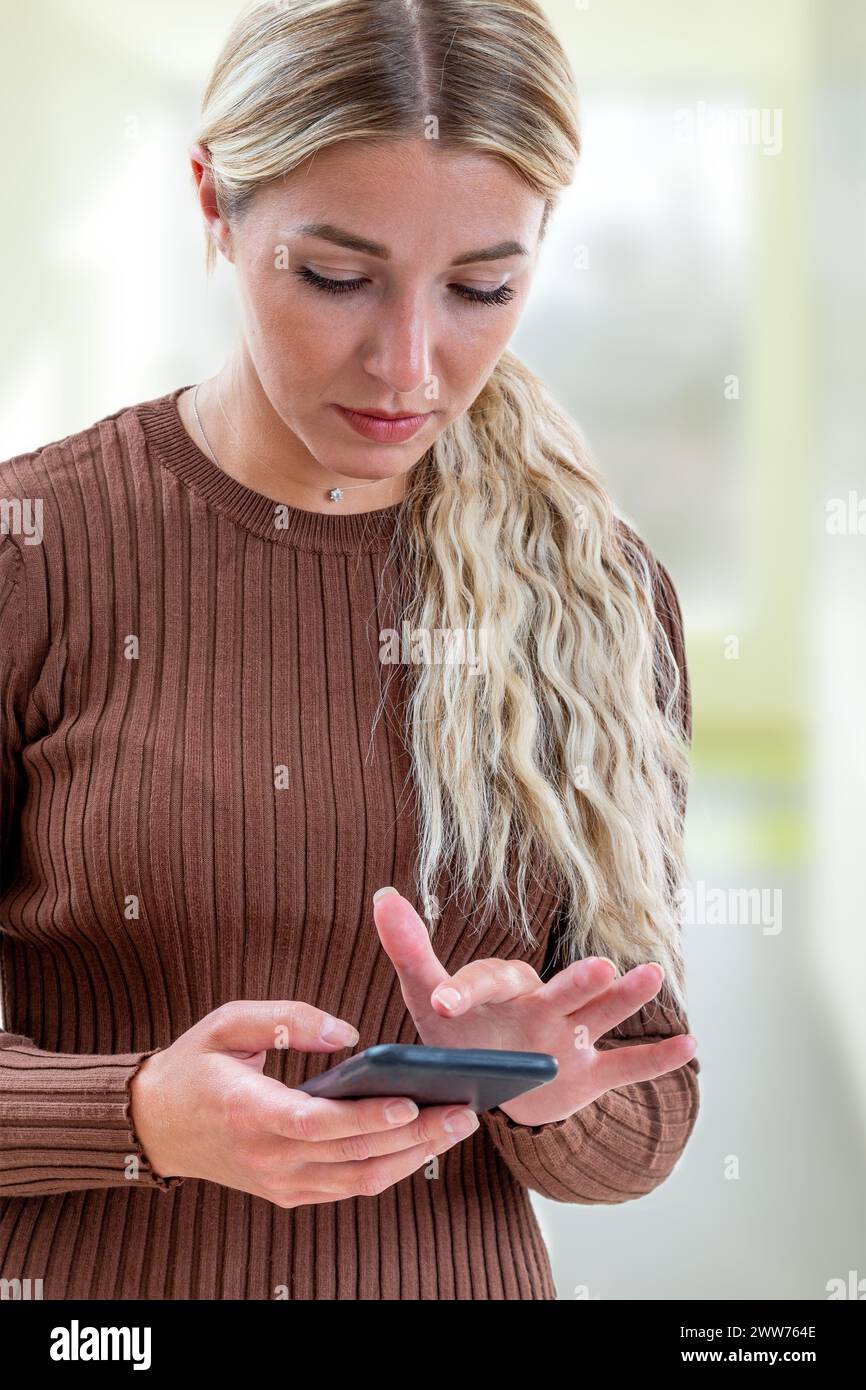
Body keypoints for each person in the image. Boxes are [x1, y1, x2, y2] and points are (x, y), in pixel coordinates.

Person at [0, 0, 700, 1300]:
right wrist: (142, 1110)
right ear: (214, 199)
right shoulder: (31, 552)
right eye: (334, 276)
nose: (408, 363)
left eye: (483, 288)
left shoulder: (601, 594)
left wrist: (534, 1085)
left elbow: (648, 1111)